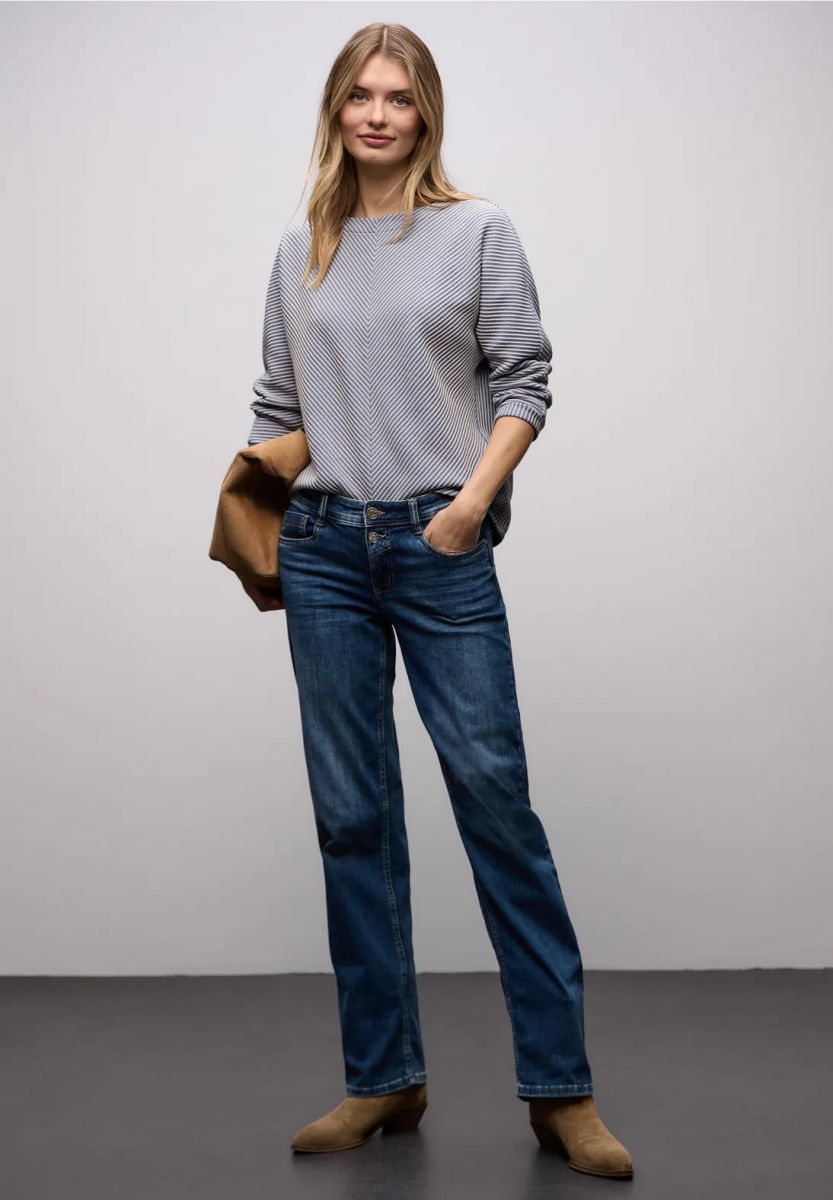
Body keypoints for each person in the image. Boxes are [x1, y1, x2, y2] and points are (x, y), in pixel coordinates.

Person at [243, 22, 634, 1180]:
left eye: (398, 97)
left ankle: (560, 1091)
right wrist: (260, 516)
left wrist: (465, 507)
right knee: (351, 817)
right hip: (323, 548)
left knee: (492, 799)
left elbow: (524, 379)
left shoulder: (475, 232)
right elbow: (276, 405)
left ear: (425, 114)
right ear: (335, 109)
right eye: (359, 95)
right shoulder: (300, 248)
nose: (377, 115)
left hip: (436, 540)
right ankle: (383, 1077)